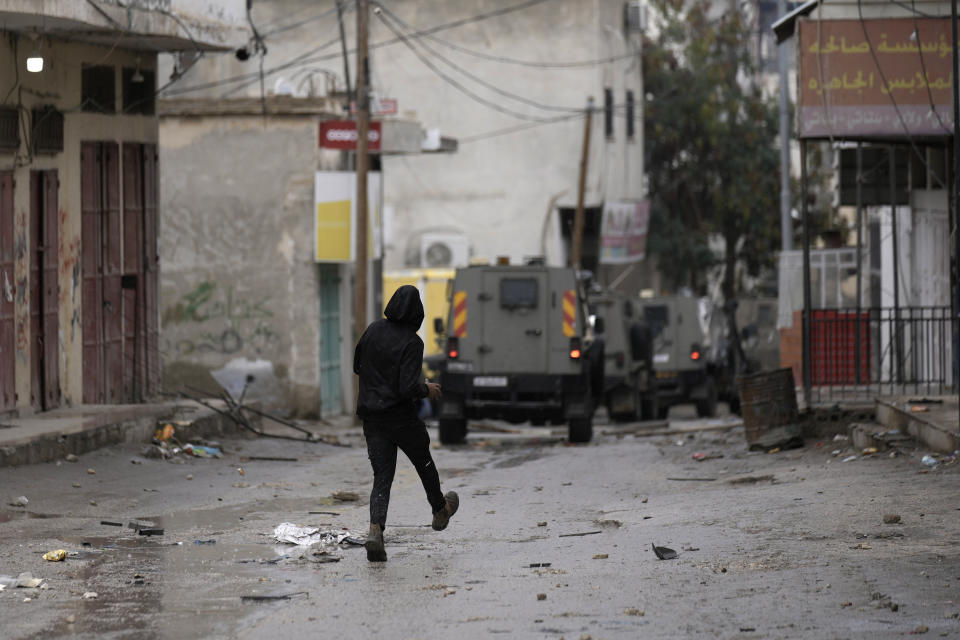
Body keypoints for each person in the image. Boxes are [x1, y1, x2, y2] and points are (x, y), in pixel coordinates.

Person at [353, 285, 459, 562]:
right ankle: (440, 510)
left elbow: (357, 366)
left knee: (382, 477)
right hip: (401, 420)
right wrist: (427, 389)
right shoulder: (413, 342)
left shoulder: (373, 330)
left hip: (372, 419)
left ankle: (375, 531)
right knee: (424, 464)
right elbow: (405, 387)